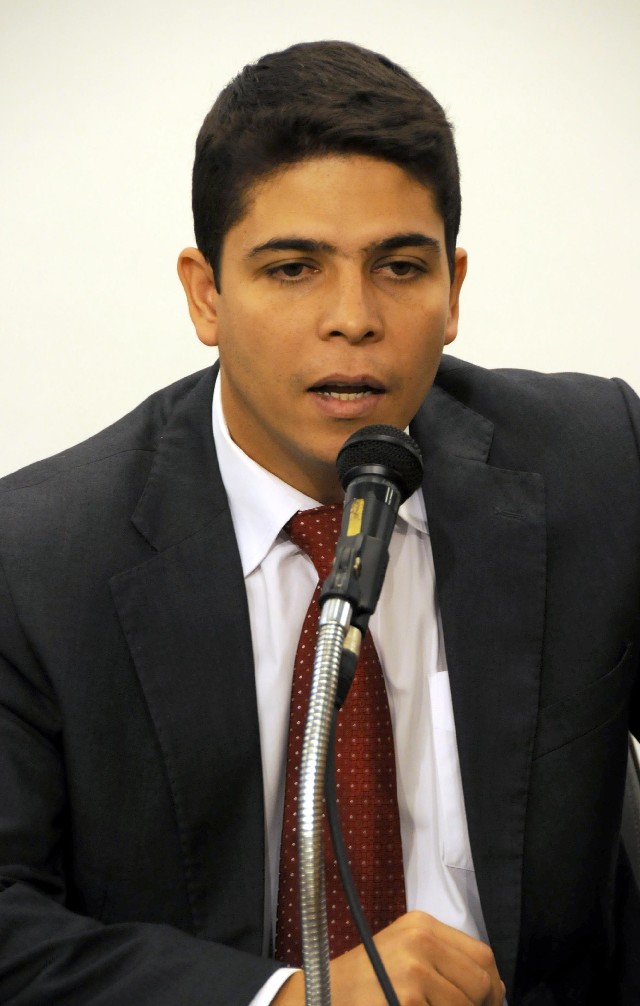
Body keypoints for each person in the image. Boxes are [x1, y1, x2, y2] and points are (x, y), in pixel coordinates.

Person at [0, 39, 638, 1006]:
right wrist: (297, 998)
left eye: (400, 266)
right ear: (206, 294)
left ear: (454, 290)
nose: (353, 317)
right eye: (294, 268)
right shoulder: (39, 560)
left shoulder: (599, 464)